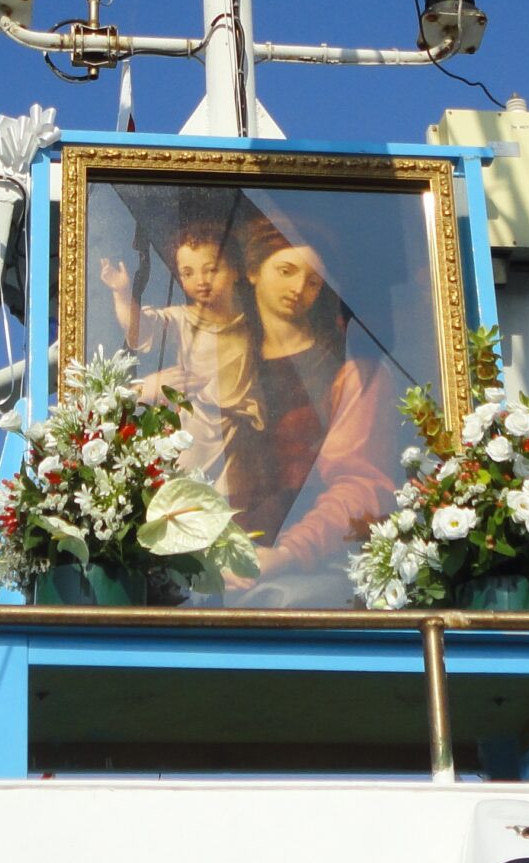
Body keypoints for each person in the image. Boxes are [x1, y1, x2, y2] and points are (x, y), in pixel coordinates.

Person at [218, 215, 395, 606]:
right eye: (286, 271)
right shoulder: (222, 363)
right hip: (217, 564)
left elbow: (362, 486)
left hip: (302, 569)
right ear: (253, 271)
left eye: (314, 281)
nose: (298, 288)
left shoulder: (351, 373)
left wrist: (288, 553)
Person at [99, 220, 259, 481]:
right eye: (188, 273)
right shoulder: (182, 319)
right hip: (197, 429)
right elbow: (140, 331)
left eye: (211, 269)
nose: (201, 281)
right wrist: (122, 292)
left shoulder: (254, 323)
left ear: (234, 270)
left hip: (242, 436)